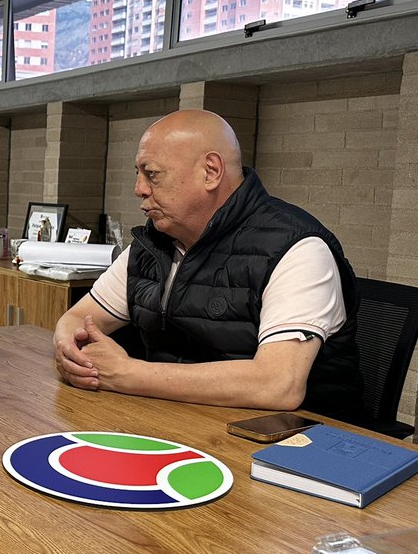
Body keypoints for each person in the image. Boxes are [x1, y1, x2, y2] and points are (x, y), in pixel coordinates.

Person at [53, 109, 362, 419]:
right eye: (138, 173)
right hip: (178, 421)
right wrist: (69, 349)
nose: (139, 189)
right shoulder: (153, 244)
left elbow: (278, 384)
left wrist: (128, 373)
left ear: (211, 172)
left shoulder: (297, 248)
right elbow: (78, 317)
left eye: (152, 174)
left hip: (289, 437)